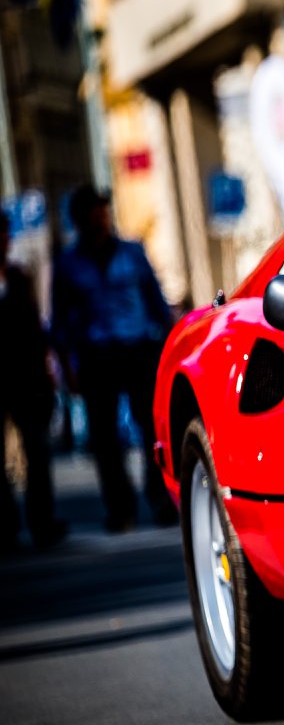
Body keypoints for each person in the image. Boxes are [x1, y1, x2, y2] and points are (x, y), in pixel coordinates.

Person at [51, 186, 177, 531]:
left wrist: (167, 344)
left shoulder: (133, 253)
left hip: (137, 348)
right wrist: (67, 370)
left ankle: (162, 498)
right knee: (105, 439)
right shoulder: (67, 264)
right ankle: (120, 509)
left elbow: (157, 302)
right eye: (93, 212)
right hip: (96, 355)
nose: (101, 217)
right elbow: (60, 322)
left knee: (153, 428)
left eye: (103, 210)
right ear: (80, 219)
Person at [0, 210, 67, 550]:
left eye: (5, 235)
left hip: (25, 380)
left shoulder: (18, 277)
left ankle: (43, 521)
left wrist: (46, 372)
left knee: (37, 451)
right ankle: (6, 526)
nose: (4, 242)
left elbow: (34, 331)